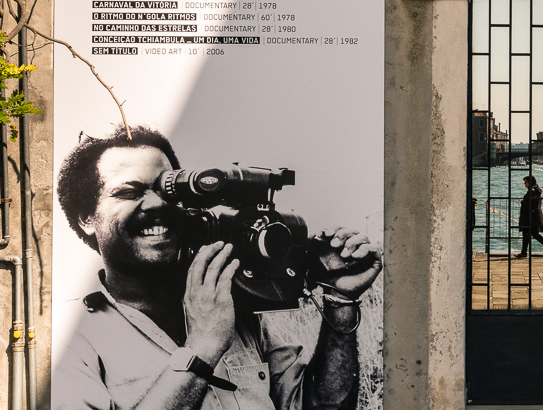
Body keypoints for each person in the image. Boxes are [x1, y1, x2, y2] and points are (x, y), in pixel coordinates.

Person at [54, 125, 382, 409]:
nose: (155, 204)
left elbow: (321, 406)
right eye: (128, 192)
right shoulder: (69, 338)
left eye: (167, 189)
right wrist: (203, 348)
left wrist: (341, 303)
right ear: (86, 218)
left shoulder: (230, 305)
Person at [516, 175, 543, 257]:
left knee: (529, 233)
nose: (524, 184)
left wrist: (523, 202)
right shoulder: (535, 190)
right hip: (532, 216)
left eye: (525, 182)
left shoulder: (532, 191)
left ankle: (524, 252)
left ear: (529, 182)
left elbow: (530, 203)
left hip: (530, 216)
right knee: (532, 234)